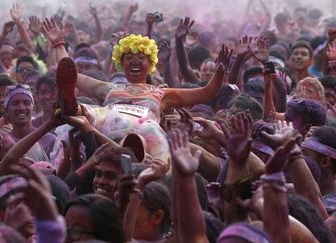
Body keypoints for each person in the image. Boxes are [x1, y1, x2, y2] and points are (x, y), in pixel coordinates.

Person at [42, 18, 230, 163]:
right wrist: (58, 44)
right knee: (87, 113)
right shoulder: (110, 88)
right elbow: (71, 75)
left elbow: (207, 92)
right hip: (106, 125)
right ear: (121, 63)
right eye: (129, 57)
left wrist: (220, 71)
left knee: (146, 138)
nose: (135, 61)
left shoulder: (162, 93)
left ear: (150, 64)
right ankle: (72, 105)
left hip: (144, 132)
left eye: (141, 57)